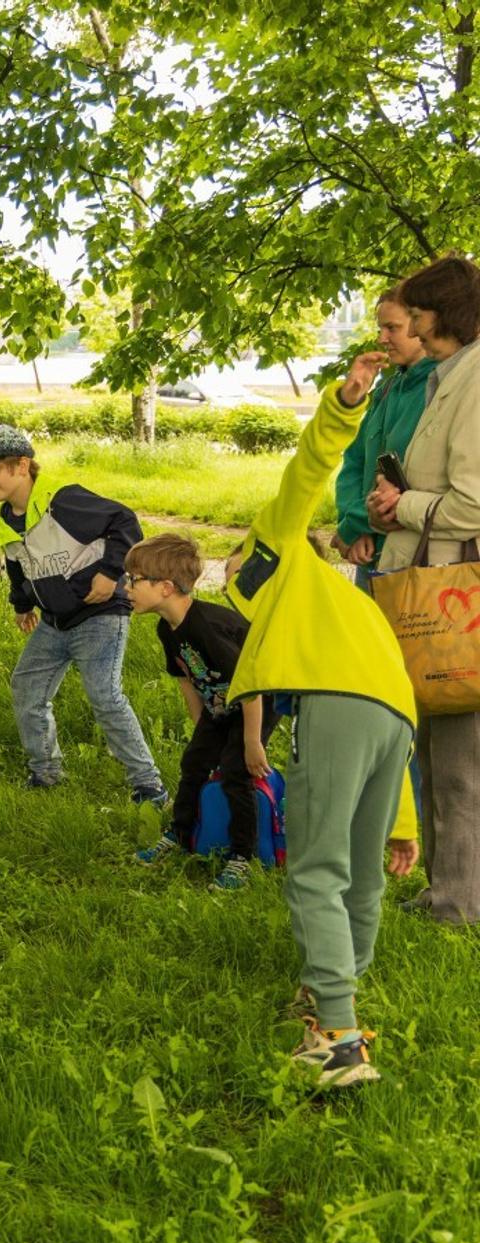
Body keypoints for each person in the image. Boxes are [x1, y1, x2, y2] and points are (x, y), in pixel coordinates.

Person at [225, 348, 419, 1087]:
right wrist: (403, 820)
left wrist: (345, 404)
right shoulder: (348, 600)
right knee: (362, 876)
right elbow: (394, 711)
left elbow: (305, 471)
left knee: (313, 870)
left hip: (336, 707)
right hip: (391, 715)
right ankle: (335, 1000)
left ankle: (336, 1037)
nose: (228, 574)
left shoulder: (278, 549)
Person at [0, 424, 167, 803]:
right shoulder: (6, 518)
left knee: (104, 695)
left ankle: (148, 785)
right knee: (26, 687)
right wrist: (22, 604)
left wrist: (110, 572)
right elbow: (18, 565)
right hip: (55, 622)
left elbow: (125, 521)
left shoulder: (63, 501)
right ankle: (46, 773)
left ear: (22, 465)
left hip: (99, 613)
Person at [369, 253, 480, 927]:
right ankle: (445, 889)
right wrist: (395, 506)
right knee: (437, 754)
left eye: (415, 313)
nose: (406, 326)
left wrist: (405, 506)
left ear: (445, 314)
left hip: (455, 600)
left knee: (460, 763)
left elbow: (472, 504)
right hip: (435, 594)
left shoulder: (475, 380)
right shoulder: (449, 376)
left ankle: (461, 904)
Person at [123, 533, 279, 890]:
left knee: (236, 772)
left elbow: (250, 686)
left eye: (134, 580)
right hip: (219, 704)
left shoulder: (207, 626)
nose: (127, 588)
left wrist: (252, 742)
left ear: (165, 587)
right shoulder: (167, 628)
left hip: (256, 702)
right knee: (194, 762)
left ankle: (242, 856)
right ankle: (179, 834)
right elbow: (185, 679)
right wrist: (202, 728)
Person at [332, 289, 434, 589]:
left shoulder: (440, 388)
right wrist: (353, 524)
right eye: (380, 328)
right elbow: (355, 459)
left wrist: (355, 525)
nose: (382, 338)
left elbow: (414, 481)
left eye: (392, 328)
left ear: (421, 324)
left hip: (414, 559)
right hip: (370, 552)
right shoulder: (388, 388)